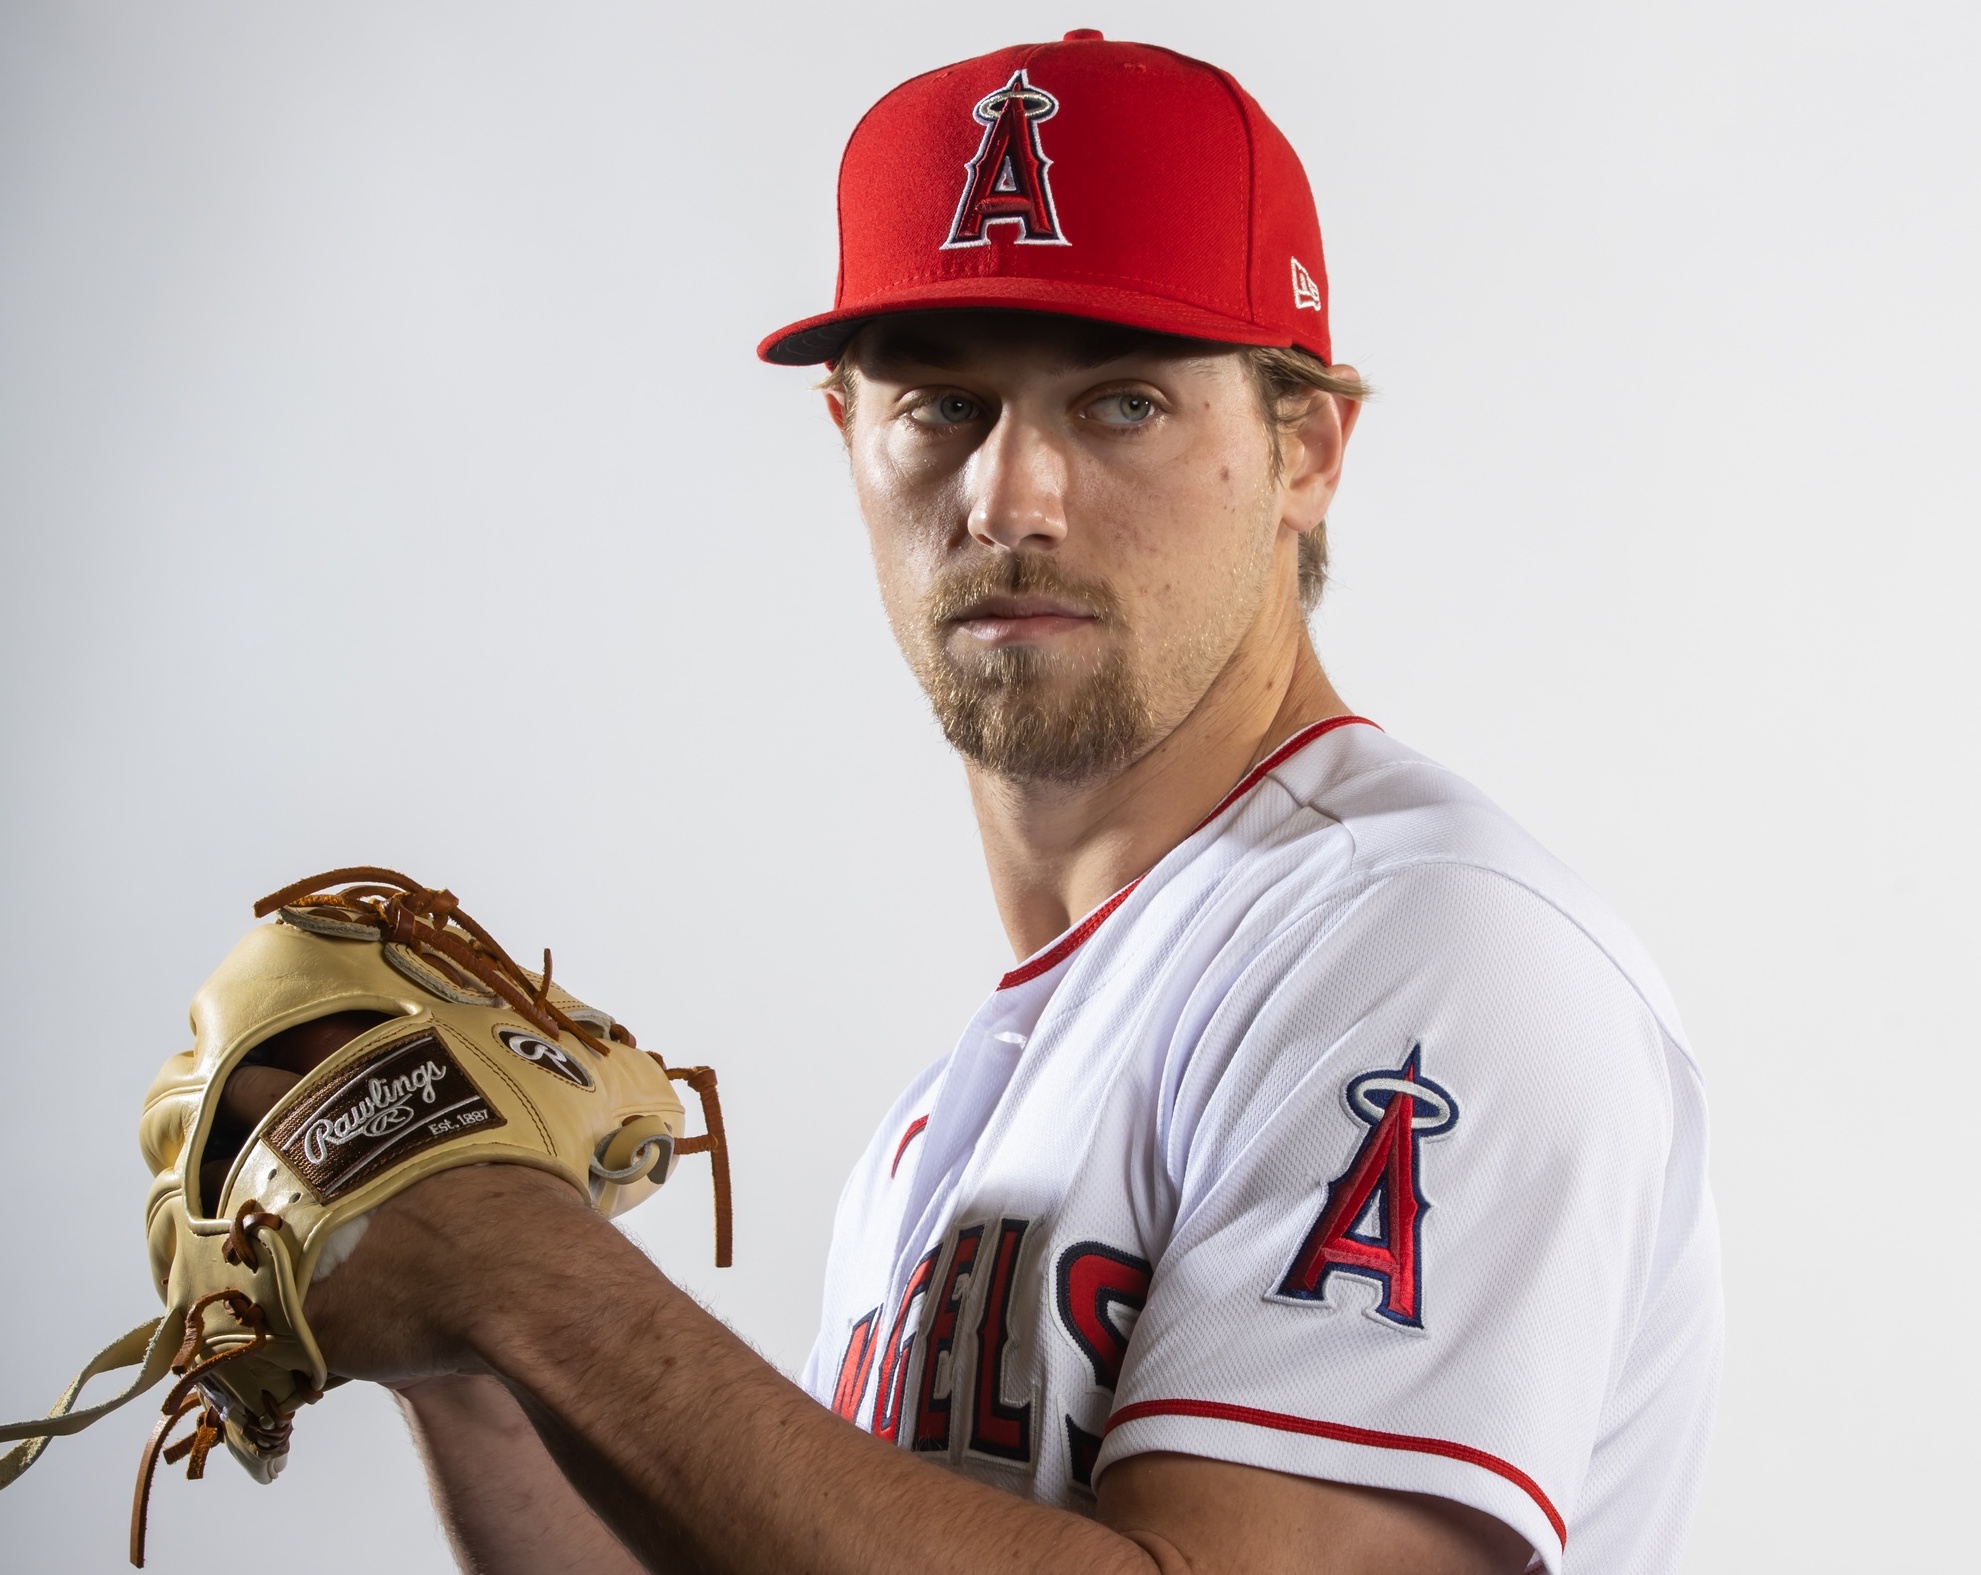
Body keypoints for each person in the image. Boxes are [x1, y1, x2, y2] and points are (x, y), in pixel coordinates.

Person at [292, 32, 1723, 1575]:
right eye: (942, 404)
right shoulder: (938, 1133)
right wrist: (472, 1342)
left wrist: (543, 1290)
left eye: (1119, 405)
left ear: (1303, 447)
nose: (1010, 497)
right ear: (845, 433)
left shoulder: (1423, 952)